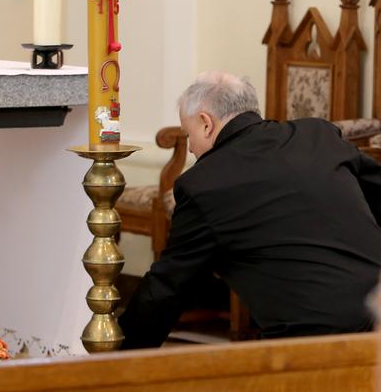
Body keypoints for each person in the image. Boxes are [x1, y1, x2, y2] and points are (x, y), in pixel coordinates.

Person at [118, 71, 381, 349]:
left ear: (206, 124)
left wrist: (116, 359)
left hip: (313, 342)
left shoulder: (204, 185)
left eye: (188, 133)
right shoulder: (317, 135)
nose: (192, 148)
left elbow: (166, 289)